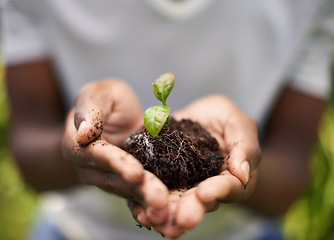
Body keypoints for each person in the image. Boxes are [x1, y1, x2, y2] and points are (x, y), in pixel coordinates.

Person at [3, 0, 333, 239]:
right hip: (74, 230)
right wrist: (79, 148)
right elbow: (30, 144)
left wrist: (247, 173)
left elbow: (290, 172)